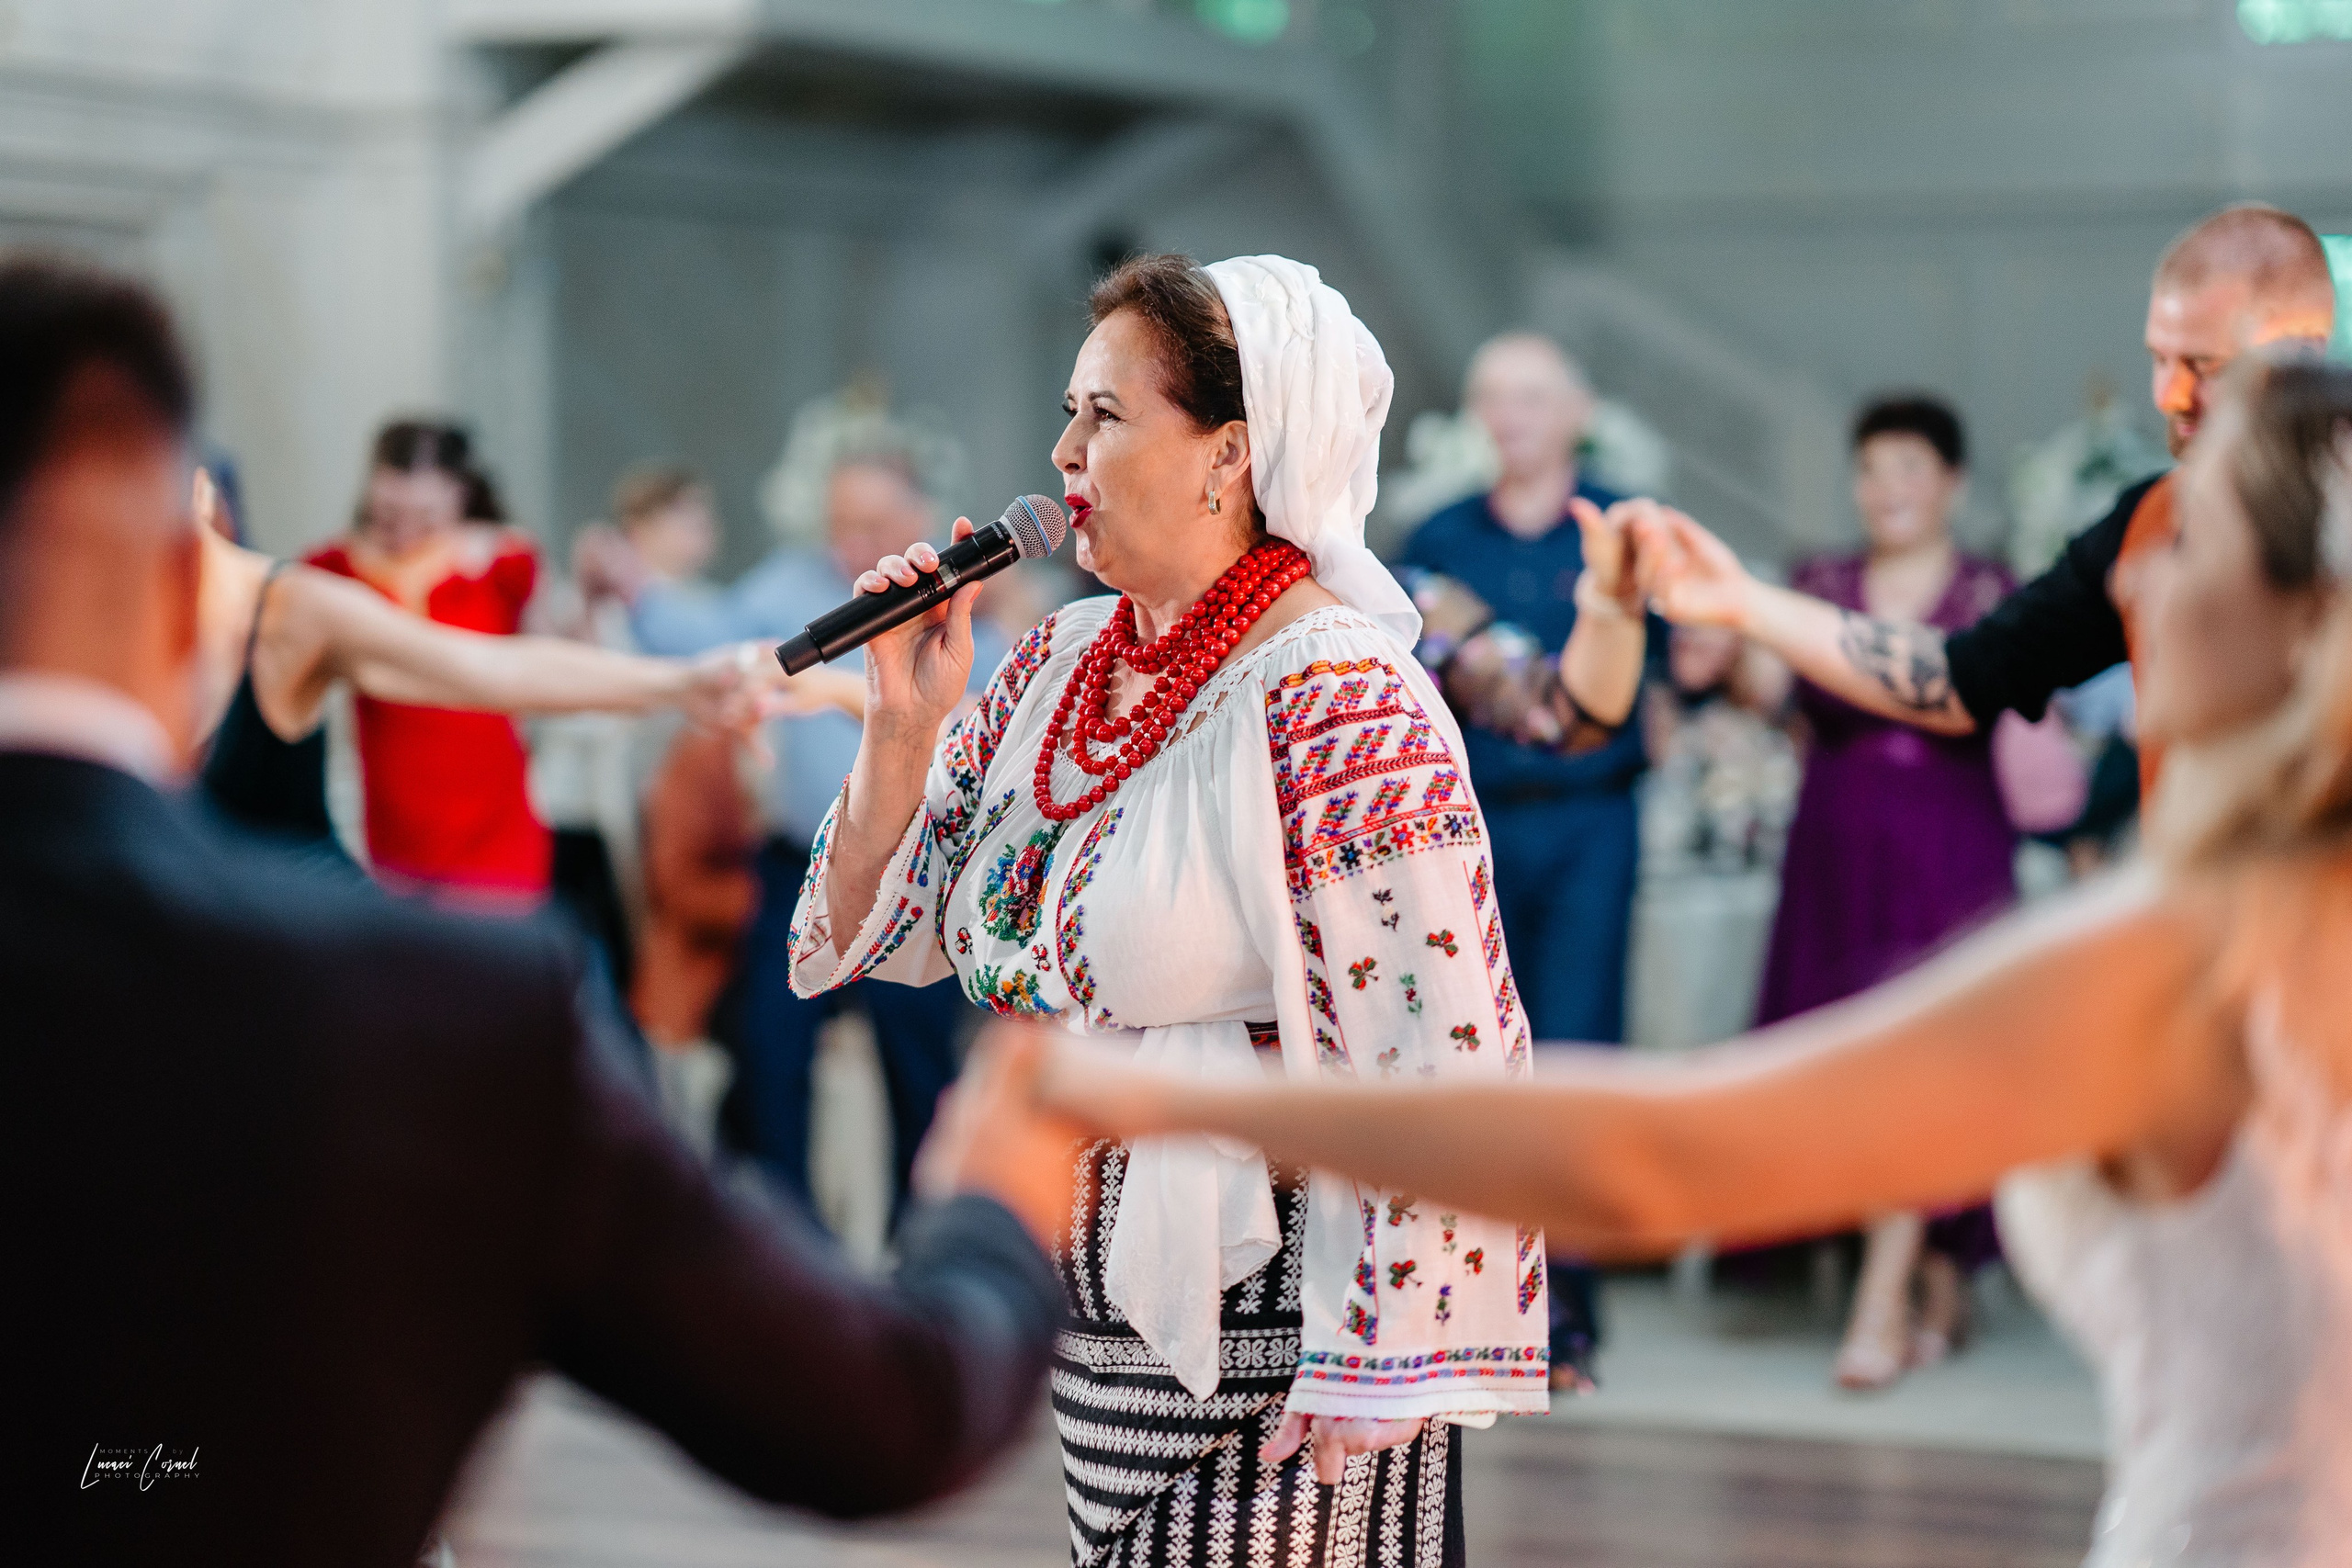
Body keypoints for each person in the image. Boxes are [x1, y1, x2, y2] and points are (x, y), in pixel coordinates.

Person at [1039, 350, 2352, 1567]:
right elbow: (1964, 670)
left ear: (2314, 617)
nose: (2135, 588)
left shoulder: (2193, 962)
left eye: (2192, 543)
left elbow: (1659, 1158)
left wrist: (1158, 1098)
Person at [0, 259, 1075, 1566]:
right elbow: (890, 1414)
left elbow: (492, 664)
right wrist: (1005, 1193)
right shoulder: (456, 1021)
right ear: (186, 592)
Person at [791, 253, 1645, 1567]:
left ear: (1228, 455)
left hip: (1289, 1349)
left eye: (1104, 415)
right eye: (1069, 414)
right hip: (1093, 1322)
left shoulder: (1341, 694)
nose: (1063, 453)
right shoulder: (1059, 661)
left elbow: (1442, 1040)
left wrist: (1385, 1361)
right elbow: (872, 933)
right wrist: (900, 729)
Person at [1634, 203, 2336, 799]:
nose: (2168, 397)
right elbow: (1962, 677)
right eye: (2159, 359)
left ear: (2301, 354)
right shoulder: (2146, 524)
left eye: (2203, 366)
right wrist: (1746, 602)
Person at [588, 401, 993, 1225]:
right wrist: (634, 586)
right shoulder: (787, 587)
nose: (852, 541)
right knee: (768, 1042)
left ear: (916, 513)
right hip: (799, 856)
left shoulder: (965, 597)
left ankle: (925, 1241)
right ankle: (785, 1243)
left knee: (918, 1057)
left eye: (872, 523)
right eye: (840, 523)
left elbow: (987, 728)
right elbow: (713, 643)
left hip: (924, 864)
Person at [1758, 394, 2018, 1390]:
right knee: (1847, 1062)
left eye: (1910, 466)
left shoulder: (1993, 590)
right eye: (1871, 468)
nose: (1887, 487)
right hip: (1837, 855)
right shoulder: (1819, 583)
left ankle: (1884, 1297)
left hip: (1950, 852)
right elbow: (1775, 703)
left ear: (1952, 482)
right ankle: (1934, 1280)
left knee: (1929, 1063)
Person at [192, 470, 779, 875]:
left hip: (297, 950)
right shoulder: (336, 567)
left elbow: (494, 666)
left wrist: (680, 682)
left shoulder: (293, 607)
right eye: (390, 515)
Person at [1398, 333, 1655, 1046]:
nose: (1509, 416)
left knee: (1580, 1035)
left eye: (1531, 398)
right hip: (1471, 820)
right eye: (1491, 398)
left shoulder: (1626, 529)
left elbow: (1676, 666)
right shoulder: (1435, 538)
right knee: (1473, 1030)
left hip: (1593, 818)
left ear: (1580, 410)